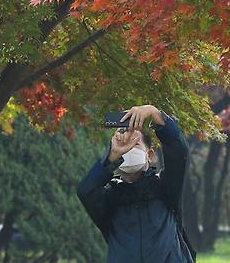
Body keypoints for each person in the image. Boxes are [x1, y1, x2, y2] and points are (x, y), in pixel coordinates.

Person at [77, 105, 196, 263]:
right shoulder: (110, 199)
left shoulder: (165, 187)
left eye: (135, 145)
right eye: (125, 148)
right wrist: (111, 157)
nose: (129, 150)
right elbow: (86, 191)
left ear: (150, 155)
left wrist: (153, 112)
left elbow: (179, 151)